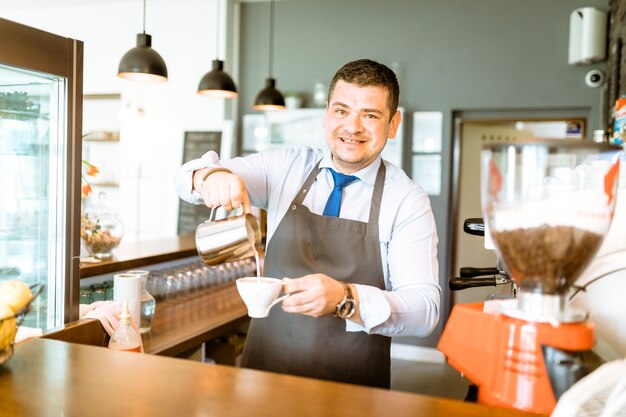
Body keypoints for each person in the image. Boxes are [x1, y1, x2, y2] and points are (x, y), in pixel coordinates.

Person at [175, 59, 440, 388]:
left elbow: (425, 309)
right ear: (326, 113)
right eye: (341, 111)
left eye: (370, 115)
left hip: (352, 391)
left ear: (393, 124)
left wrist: (347, 299)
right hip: (263, 377)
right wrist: (209, 176)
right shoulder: (286, 166)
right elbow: (186, 178)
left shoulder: (406, 200)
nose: (352, 127)